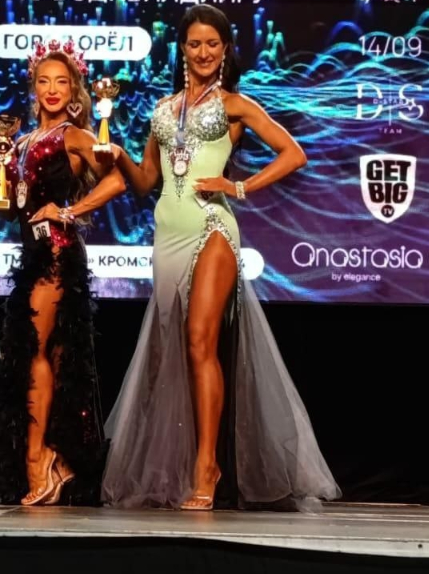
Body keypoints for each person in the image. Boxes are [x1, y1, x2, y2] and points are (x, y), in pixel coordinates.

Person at [100, 4, 342, 511]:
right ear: (182, 49)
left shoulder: (234, 105)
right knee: (173, 353)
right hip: (168, 230)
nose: (204, 52)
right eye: (195, 44)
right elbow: (146, 182)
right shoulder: (162, 110)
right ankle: (190, 461)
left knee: (199, 342)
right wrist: (117, 154)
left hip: (212, 225)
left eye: (213, 43)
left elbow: (294, 153)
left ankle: (206, 466)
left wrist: (239, 186)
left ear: (226, 49)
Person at [0, 39, 126, 506]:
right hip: (32, 255)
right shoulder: (21, 141)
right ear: (33, 86)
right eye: (44, 81)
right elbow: (15, 206)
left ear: (74, 88)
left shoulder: (72, 135)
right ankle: (56, 461)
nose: (52, 89)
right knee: (46, 356)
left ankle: (39, 459)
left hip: (58, 254)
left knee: (37, 351)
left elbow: (117, 178)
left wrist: (69, 211)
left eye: (61, 81)